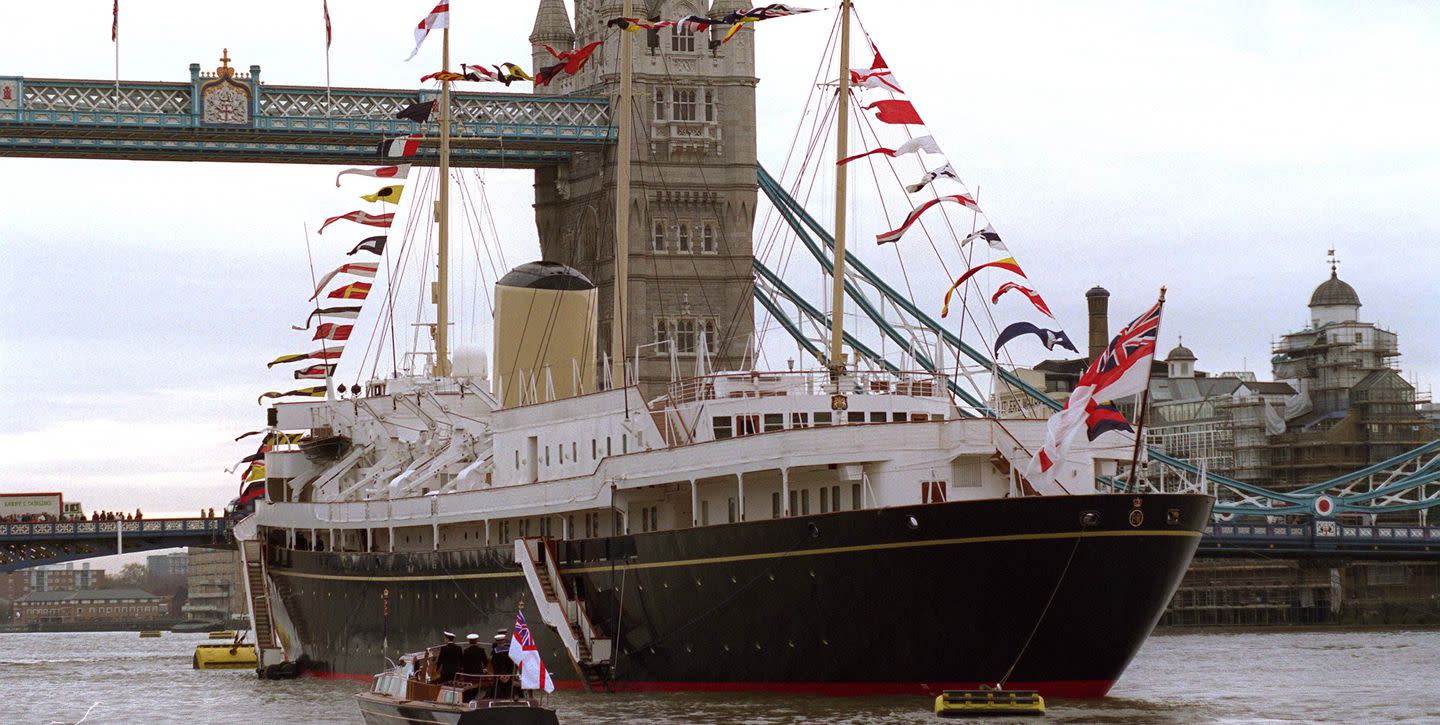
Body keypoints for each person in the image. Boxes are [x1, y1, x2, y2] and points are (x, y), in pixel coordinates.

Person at [460, 633, 489, 702]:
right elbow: (486, 662)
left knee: (469, 688)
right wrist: (483, 668)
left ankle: (468, 698)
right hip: (478, 674)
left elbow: (463, 663)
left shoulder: (466, 651)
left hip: (468, 674)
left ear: (469, 641)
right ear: (476, 641)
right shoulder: (481, 650)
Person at [490, 630, 514, 699]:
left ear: (497, 642)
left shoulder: (494, 652)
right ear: (504, 641)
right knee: (509, 689)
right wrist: (509, 675)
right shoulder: (509, 651)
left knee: (498, 689)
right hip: (509, 675)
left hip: (498, 675)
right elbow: (511, 664)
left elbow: (494, 664)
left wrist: (500, 675)